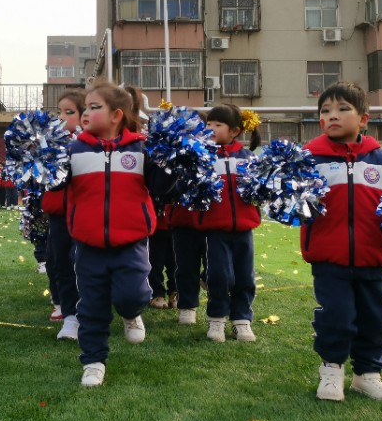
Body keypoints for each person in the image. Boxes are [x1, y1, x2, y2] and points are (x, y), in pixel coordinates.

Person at [66, 80, 173, 387]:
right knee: (92, 306)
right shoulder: (74, 149)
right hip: (88, 244)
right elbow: (56, 185)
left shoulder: (142, 148)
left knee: (134, 294)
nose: (86, 113)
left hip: (132, 242)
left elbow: (161, 188)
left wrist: (172, 166)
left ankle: (131, 313)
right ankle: (93, 361)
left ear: (116, 115)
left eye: (94, 107)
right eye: (85, 107)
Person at [302, 82, 382, 402]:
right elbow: (299, 207)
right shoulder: (308, 158)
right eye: (325, 111)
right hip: (329, 257)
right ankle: (331, 370)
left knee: (376, 317)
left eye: (343, 109)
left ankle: (367, 375)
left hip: (374, 256)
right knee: (336, 315)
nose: (333, 116)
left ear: (363, 119)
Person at [195, 105, 262, 342]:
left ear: (234, 131)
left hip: (244, 229)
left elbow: (259, 192)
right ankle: (216, 319)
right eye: (209, 124)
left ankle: (241, 320)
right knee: (219, 276)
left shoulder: (248, 158)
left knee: (245, 277)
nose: (210, 128)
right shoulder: (202, 156)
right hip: (215, 229)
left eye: (217, 125)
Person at [42, 89, 85, 340]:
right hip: (58, 213)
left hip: (84, 213)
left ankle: (87, 310)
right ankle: (69, 314)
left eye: (70, 112)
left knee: (81, 263)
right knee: (60, 263)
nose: (62, 118)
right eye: (59, 112)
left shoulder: (90, 145)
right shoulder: (51, 143)